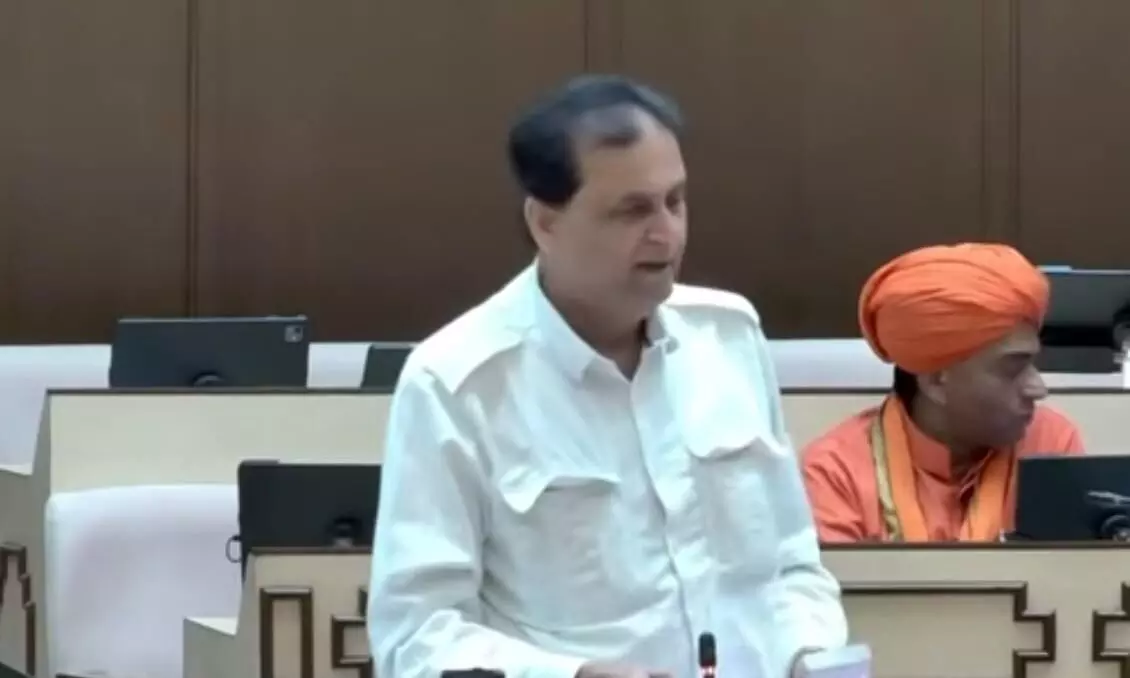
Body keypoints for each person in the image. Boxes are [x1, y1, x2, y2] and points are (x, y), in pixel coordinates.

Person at [366, 74, 847, 678]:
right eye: (633, 210)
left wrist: (810, 657)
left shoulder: (729, 338)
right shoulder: (457, 383)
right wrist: (573, 676)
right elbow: (414, 638)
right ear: (546, 223)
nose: (667, 234)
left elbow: (794, 567)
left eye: (676, 201)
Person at [802, 243, 1086, 543]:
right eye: (1013, 369)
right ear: (936, 381)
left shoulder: (1049, 442)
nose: (1038, 388)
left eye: (1032, 363)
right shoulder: (836, 473)